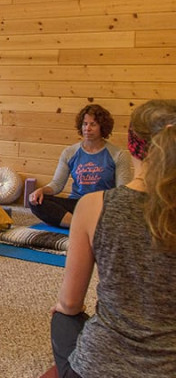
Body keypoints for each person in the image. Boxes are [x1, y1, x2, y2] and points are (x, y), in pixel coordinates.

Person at [50, 99, 176, 378]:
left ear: (132, 144)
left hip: (97, 368)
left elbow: (70, 304)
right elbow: (55, 185)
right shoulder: (72, 154)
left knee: (62, 316)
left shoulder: (94, 206)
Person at [28, 104, 132, 228]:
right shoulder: (69, 153)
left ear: (102, 127)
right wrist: (41, 190)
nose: (87, 128)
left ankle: (82, 225)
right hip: (77, 204)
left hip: (102, 205)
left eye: (93, 124)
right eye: (85, 124)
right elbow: (56, 185)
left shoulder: (118, 155)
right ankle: (85, 226)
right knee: (36, 202)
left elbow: (122, 193)